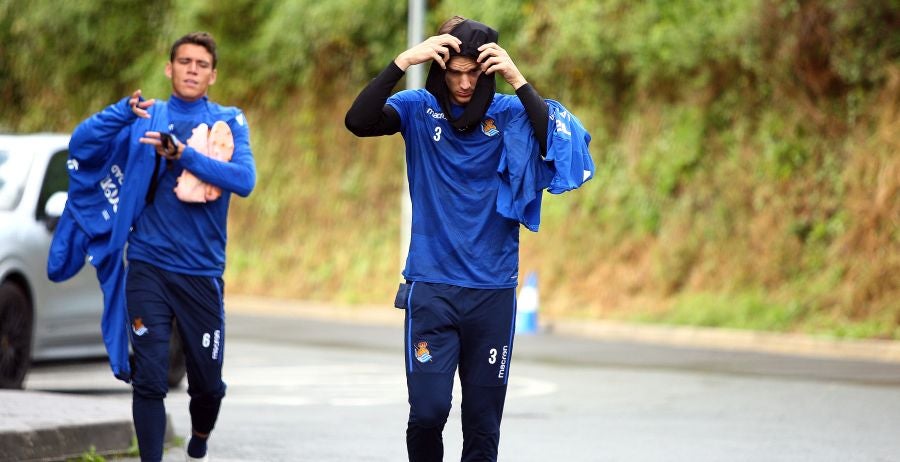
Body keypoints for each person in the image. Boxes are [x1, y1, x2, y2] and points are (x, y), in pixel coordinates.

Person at [345, 16, 593, 462]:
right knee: (427, 412)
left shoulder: (510, 113)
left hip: (492, 293)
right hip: (432, 289)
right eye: (453, 73)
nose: (462, 84)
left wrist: (517, 79)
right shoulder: (417, 108)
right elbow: (358, 121)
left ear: (487, 72)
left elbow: (562, 151)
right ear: (440, 69)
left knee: (482, 424)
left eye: (472, 74)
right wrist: (402, 61)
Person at [61, 32, 255, 462]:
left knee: (207, 384)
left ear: (212, 74)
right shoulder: (148, 116)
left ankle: (200, 434)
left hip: (202, 271)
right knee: (149, 379)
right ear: (169, 68)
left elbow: (244, 180)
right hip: (147, 264)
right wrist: (117, 114)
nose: (191, 69)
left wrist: (183, 154)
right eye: (184, 61)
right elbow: (82, 145)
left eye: (201, 64)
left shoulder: (229, 120)